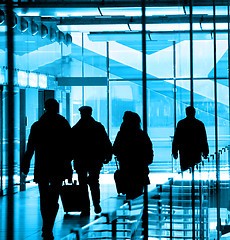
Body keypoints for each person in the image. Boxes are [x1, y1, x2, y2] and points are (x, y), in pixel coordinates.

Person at [21, 99, 72, 240]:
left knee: (44, 197)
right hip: (58, 167)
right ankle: (49, 225)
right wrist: (69, 168)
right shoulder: (63, 124)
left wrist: (24, 167)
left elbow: (30, 148)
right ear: (57, 109)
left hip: (42, 167)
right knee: (54, 197)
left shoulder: (37, 126)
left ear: (45, 108)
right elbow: (69, 148)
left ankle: (46, 225)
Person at [71, 106, 112, 216]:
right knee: (94, 182)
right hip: (95, 159)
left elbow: (71, 146)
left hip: (81, 160)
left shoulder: (76, 128)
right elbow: (106, 141)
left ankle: (85, 207)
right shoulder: (98, 127)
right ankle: (96, 204)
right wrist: (108, 155)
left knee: (82, 184)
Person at [113, 111, 153, 199]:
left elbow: (115, 149)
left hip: (126, 168)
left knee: (129, 193)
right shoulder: (141, 134)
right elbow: (148, 149)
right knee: (138, 193)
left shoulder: (121, 134)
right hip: (140, 168)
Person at [172, 106, 209, 172]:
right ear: (194, 113)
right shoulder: (199, 124)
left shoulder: (181, 123)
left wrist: (174, 151)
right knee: (196, 169)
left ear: (186, 113)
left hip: (184, 151)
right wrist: (205, 151)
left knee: (185, 169)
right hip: (196, 151)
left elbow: (176, 139)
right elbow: (203, 139)